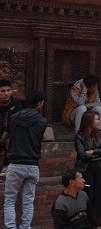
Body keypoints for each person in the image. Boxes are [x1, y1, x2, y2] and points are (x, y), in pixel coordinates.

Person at [3, 90, 47, 229]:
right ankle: (25, 227)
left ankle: (10, 227)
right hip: (33, 164)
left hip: (15, 163)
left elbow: (4, 137)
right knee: (28, 201)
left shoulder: (14, 117)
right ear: (39, 104)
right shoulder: (42, 121)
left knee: (10, 199)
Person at [74, 110, 101, 226]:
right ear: (89, 121)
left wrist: (93, 152)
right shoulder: (79, 137)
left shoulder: (100, 134)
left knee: (100, 197)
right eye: (96, 119)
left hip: (100, 169)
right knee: (89, 197)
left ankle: (95, 223)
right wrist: (99, 156)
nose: (98, 121)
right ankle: (88, 223)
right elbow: (82, 155)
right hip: (86, 170)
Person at [0, 78, 22, 174]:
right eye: (3, 91)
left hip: (11, 136)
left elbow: (19, 123)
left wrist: (7, 137)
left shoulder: (16, 105)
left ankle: (7, 167)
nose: (6, 93)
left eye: (8, 90)